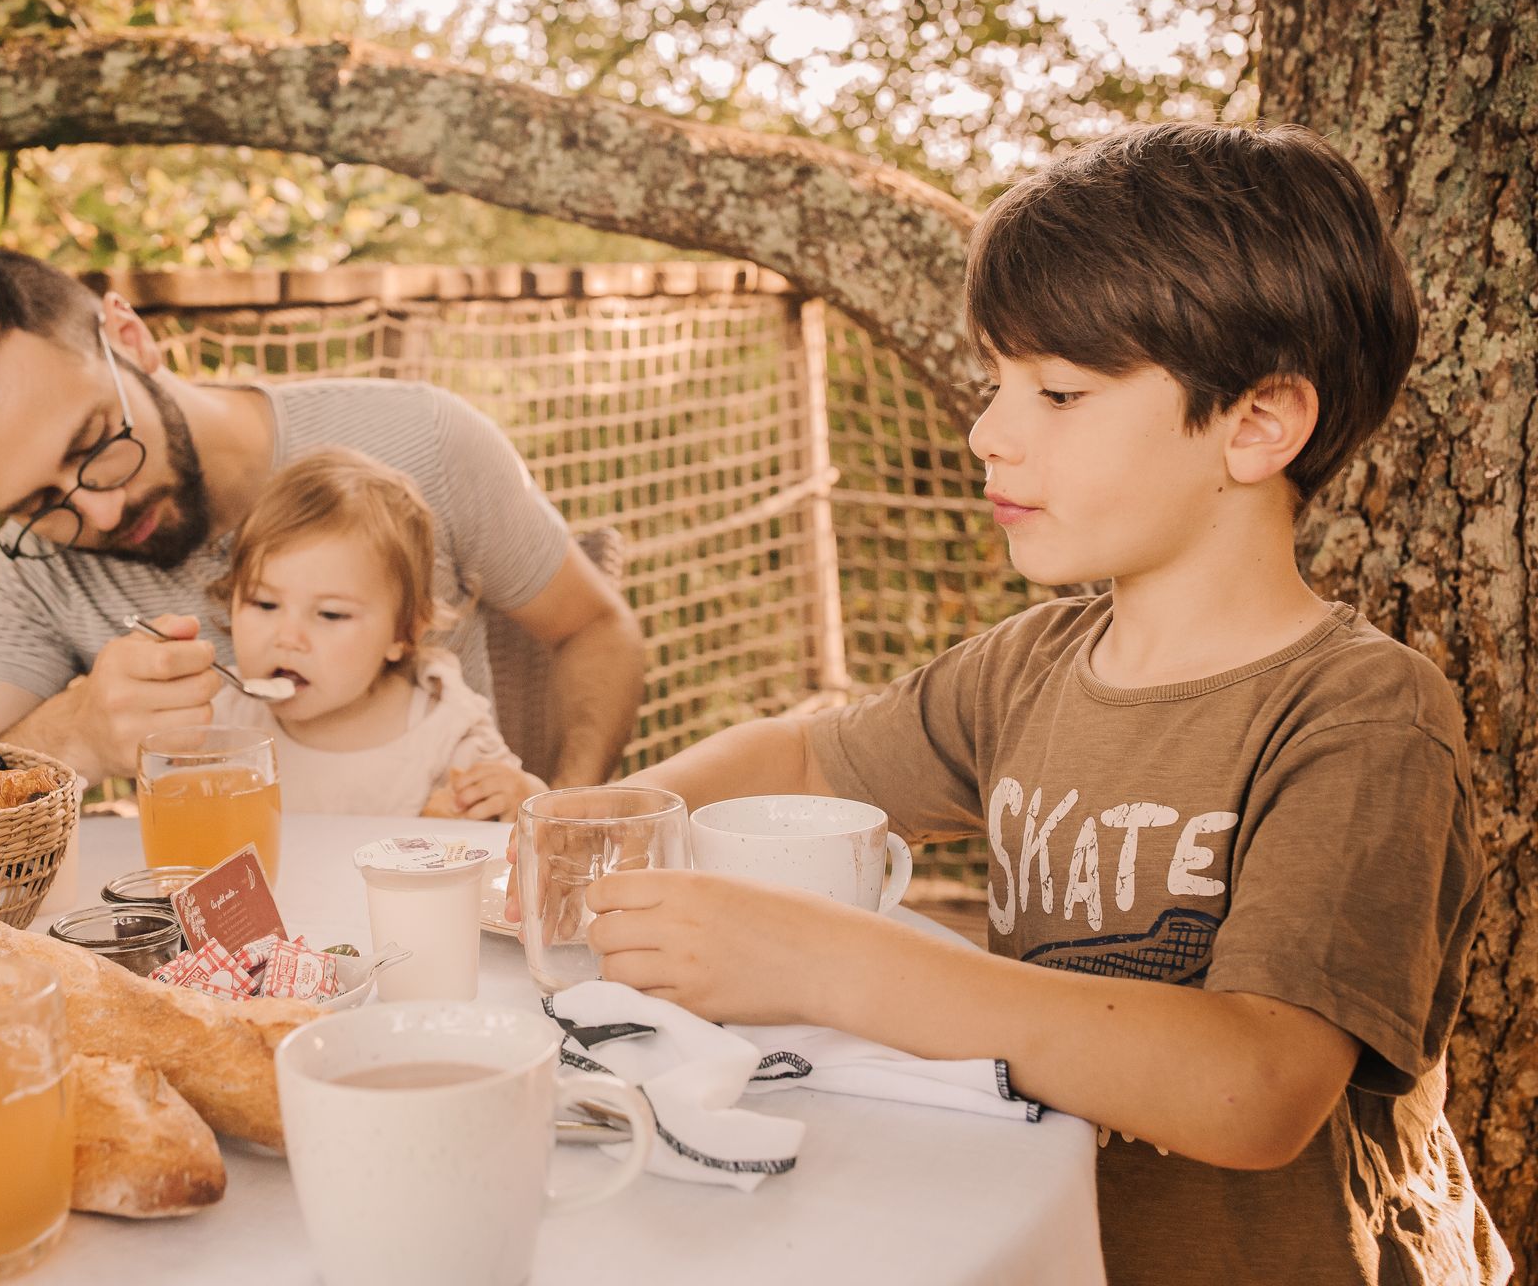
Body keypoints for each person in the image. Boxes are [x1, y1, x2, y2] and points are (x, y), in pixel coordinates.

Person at [582, 124, 1503, 1284]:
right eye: (998, 382)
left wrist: (838, 965)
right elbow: (807, 759)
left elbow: (1254, 1089)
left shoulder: (1361, 716)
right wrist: (595, 819)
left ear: (1258, 424)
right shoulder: (1029, 668)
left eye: (1058, 392)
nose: (987, 432)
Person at [0, 247, 643, 789]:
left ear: (131, 340)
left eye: (95, 441)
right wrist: (72, 734)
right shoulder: (28, 572)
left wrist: (567, 815)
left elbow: (593, 629)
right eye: (39, 503)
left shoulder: (424, 439)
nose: (100, 510)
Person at [203, 448, 546, 818]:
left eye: (331, 614)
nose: (287, 637)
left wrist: (517, 795)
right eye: (264, 604)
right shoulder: (220, 718)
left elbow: (534, 822)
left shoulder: (444, 732)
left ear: (403, 632)